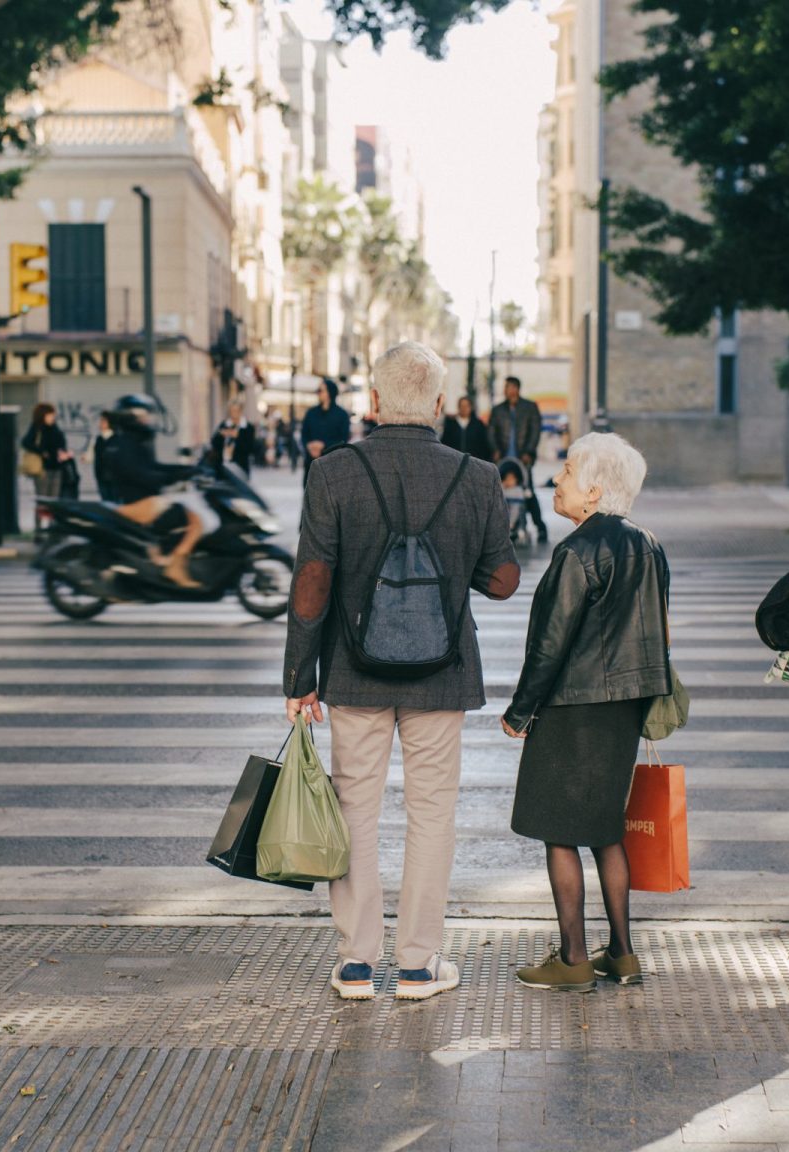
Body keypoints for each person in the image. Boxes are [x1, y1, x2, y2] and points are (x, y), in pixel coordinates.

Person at [284, 341, 520, 1002]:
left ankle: (357, 963)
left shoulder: (334, 472)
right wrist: (457, 560)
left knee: (354, 808)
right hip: (439, 672)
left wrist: (299, 676)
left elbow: (312, 581)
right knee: (432, 812)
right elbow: (503, 581)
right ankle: (418, 964)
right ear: (440, 405)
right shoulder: (475, 476)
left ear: (376, 400)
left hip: (354, 675)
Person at [501, 433, 670, 992]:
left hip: (573, 708)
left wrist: (521, 711)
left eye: (568, 471)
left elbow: (550, 644)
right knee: (605, 828)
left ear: (594, 490)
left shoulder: (576, 552)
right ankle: (622, 953)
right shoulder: (649, 544)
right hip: (624, 707)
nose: (557, 480)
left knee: (559, 829)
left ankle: (573, 958)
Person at [107, 394, 207, 588]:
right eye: (144, 416)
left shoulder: (131, 442)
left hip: (146, 500)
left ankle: (164, 558)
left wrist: (185, 470)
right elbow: (142, 475)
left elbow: (153, 468)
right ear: (131, 417)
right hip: (138, 504)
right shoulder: (124, 445)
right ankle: (173, 567)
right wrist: (174, 476)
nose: (148, 421)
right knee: (194, 521)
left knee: (188, 516)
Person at [489, 377, 549, 544]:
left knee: (528, 493)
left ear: (516, 388)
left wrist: (529, 451)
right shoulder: (498, 410)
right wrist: (495, 450)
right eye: (505, 387)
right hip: (503, 461)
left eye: (510, 387)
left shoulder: (529, 407)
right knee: (502, 494)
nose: (507, 390)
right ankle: (508, 528)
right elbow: (491, 432)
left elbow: (535, 431)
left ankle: (540, 527)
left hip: (523, 460)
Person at [299, 378, 351, 486]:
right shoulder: (311, 413)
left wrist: (323, 446)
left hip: (333, 466)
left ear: (329, 392)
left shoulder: (342, 415)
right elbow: (304, 434)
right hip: (311, 464)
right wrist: (309, 446)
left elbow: (343, 439)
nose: (318, 393)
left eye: (321, 390)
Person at [22, 402, 72, 506]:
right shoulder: (36, 428)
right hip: (43, 469)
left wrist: (64, 453)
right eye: (50, 415)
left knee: (54, 501)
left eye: (53, 415)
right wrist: (41, 452)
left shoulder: (55, 428)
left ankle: (51, 522)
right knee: (42, 500)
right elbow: (26, 442)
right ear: (43, 415)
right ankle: (39, 522)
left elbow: (61, 444)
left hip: (57, 468)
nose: (52, 417)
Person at [210, 401, 258, 477]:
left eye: (236, 411)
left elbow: (250, 448)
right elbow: (214, 443)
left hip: (240, 466)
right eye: (231, 411)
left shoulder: (248, 427)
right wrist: (221, 435)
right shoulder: (224, 424)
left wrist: (238, 437)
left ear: (241, 411)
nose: (233, 413)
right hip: (223, 465)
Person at [441, 395, 492, 460]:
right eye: (461, 406)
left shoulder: (478, 424)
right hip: (454, 460)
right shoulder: (451, 424)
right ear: (458, 407)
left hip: (473, 461)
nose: (464, 408)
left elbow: (483, 445)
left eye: (466, 406)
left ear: (470, 407)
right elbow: (445, 443)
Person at [93, 410, 124, 502]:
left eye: (103, 421)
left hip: (115, 481)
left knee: (116, 505)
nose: (100, 423)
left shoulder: (118, 439)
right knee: (106, 504)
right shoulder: (99, 439)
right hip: (102, 479)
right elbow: (97, 459)